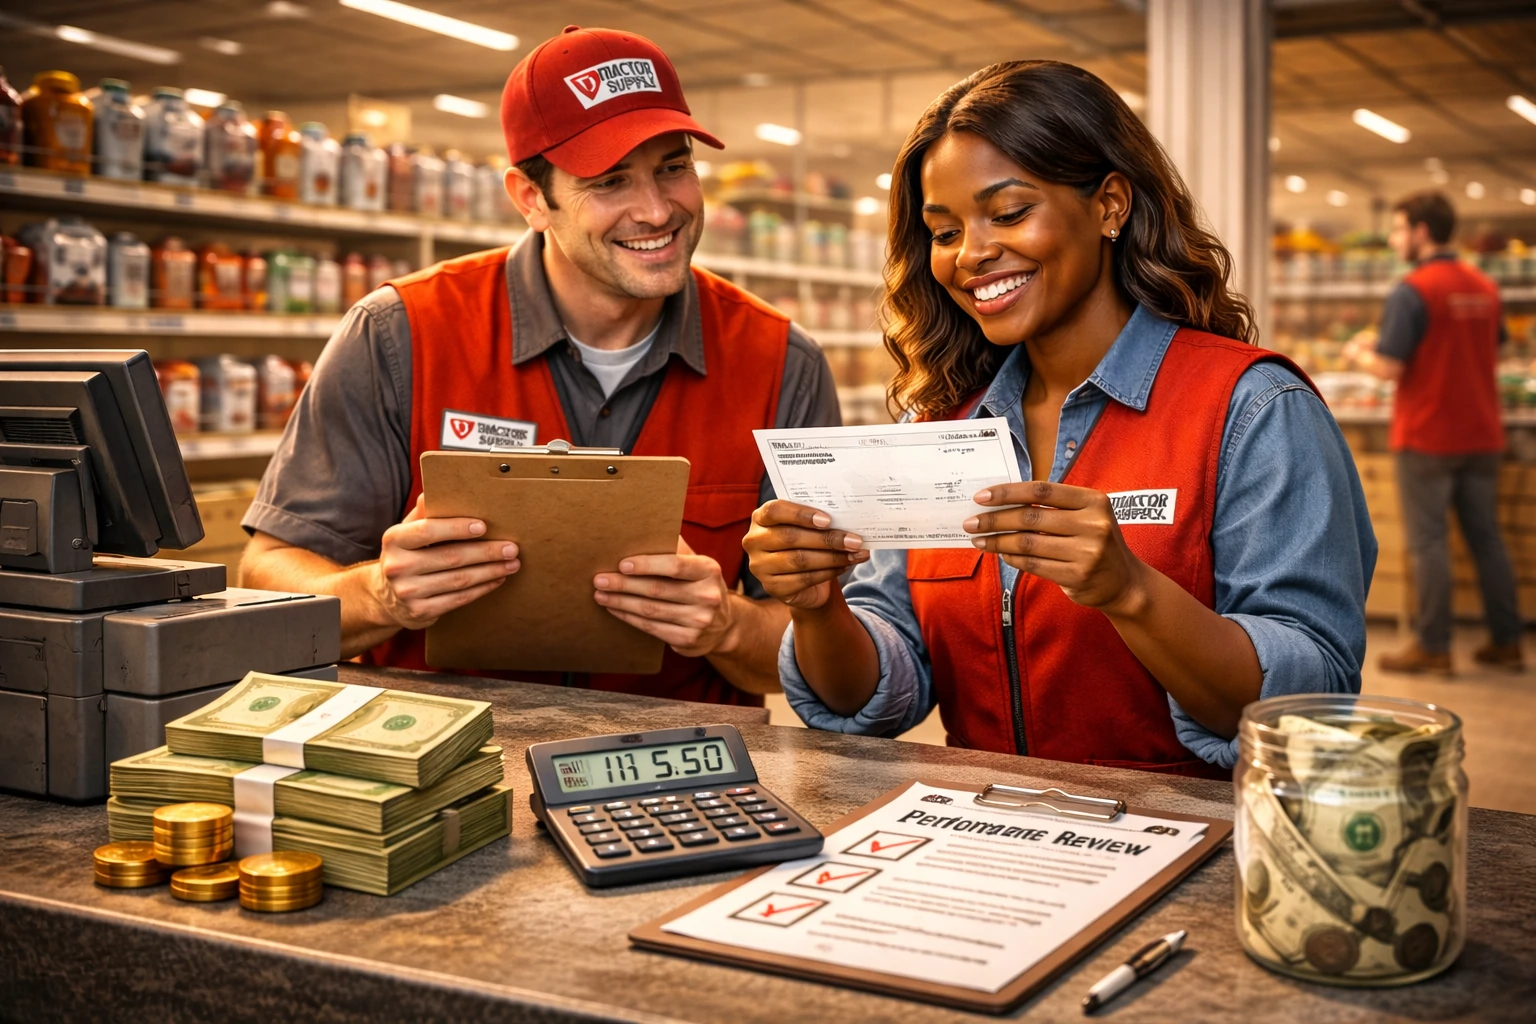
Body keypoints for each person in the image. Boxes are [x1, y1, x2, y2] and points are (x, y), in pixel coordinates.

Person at [743, 61, 1377, 777]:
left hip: (1196, 856)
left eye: (1009, 213)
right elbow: (878, 696)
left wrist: (1130, 592)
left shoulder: (1252, 409)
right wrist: (817, 603)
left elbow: (1310, 699)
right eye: (944, 232)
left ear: (1110, 205)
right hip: (991, 842)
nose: (971, 254)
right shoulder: (944, 428)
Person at [240, 26, 839, 707]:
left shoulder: (781, 364)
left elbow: (822, 661)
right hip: (436, 758)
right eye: (610, 181)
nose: (656, 209)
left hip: (680, 768)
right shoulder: (400, 335)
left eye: (673, 167)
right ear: (529, 198)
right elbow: (263, 576)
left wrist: (726, 627)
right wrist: (380, 593)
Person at [1369, 192, 1521, 674]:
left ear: (1420, 231)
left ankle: (1433, 647)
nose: (1395, 240)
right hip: (1482, 433)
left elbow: (1390, 367)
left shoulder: (1412, 289)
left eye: (1398, 230)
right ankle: (1507, 641)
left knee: (1428, 541)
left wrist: (1359, 355)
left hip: (1428, 434)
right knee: (1487, 538)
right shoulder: (1485, 286)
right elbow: (1494, 350)